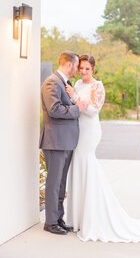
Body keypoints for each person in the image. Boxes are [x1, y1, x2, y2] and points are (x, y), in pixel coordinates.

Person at [65, 54, 140, 242]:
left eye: (87, 69)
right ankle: (76, 218)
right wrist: (74, 96)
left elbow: (92, 111)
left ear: (93, 69)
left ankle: (92, 217)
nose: (83, 72)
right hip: (77, 130)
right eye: (81, 68)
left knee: (87, 165)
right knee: (77, 167)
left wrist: (75, 97)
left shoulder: (97, 86)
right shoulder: (77, 84)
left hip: (90, 131)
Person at [39, 51, 87, 235]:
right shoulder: (52, 82)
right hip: (55, 141)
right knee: (54, 182)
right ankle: (50, 222)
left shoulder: (64, 83)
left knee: (61, 182)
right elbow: (54, 109)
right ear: (69, 65)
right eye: (76, 66)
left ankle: (58, 218)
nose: (77, 70)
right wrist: (77, 109)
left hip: (64, 141)